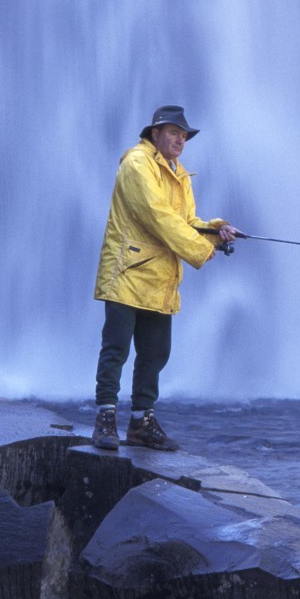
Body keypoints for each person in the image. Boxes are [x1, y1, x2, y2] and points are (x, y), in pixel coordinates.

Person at [91, 105, 237, 451]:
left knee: (156, 353)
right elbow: (156, 217)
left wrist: (217, 231)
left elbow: (184, 222)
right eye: (174, 132)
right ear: (154, 133)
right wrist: (200, 251)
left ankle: (141, 423)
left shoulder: (179, 174)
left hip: (161, 277)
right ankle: (105, 419)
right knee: (116, 349)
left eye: (184, 135)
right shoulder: (137, 164)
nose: (180, 140)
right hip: (126, 272)